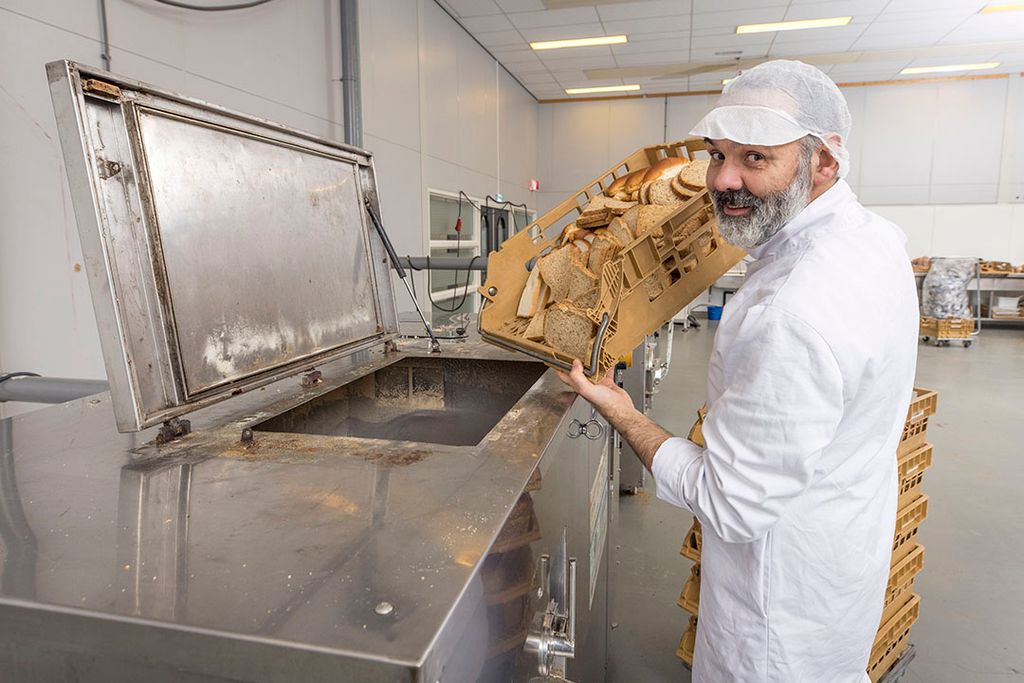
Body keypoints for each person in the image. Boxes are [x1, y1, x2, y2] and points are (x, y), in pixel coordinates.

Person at [558, 60, 919, 682]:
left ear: (824, 162)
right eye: (717, 153)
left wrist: (621, 411)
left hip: (774, 613)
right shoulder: (876, 240)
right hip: (839, 551)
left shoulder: (792, 313)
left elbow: (729, 504)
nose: (722, 179)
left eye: (756, 158)